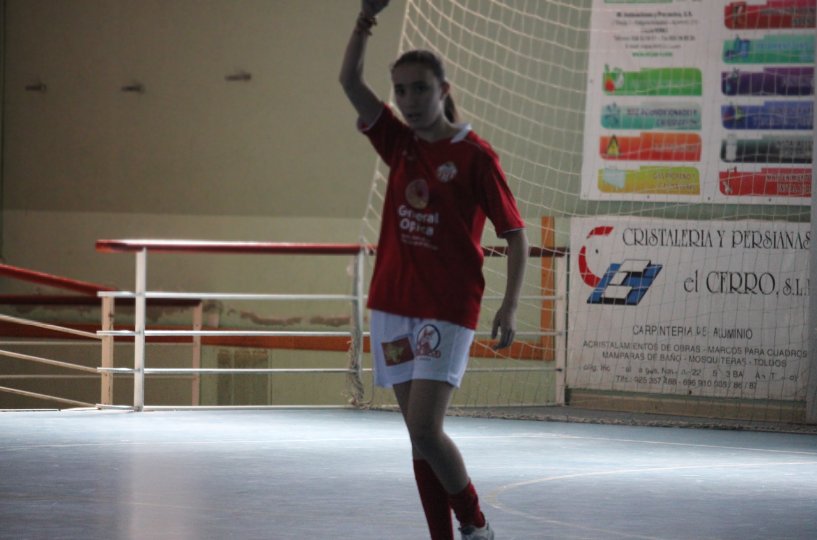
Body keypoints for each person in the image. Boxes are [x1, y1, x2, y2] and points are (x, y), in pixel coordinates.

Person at [339, 1, 528, 539]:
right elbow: (349, 80)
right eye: (400, 91)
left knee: (426, 428)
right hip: (392, 307)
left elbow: (515, 234)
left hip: (445, 310)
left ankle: (475, 521)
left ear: (443, 90)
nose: (409, 100)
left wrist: (509, 305)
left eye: (420, 89)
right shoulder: (398, 143)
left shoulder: (475, 156)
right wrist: (365, 18)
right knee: (417, 436)